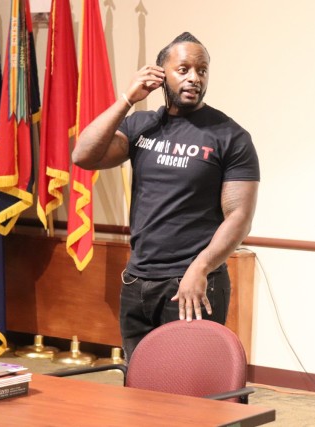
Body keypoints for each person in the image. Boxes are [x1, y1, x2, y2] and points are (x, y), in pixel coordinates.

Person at [72, 32, 260, 360]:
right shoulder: (141, 126)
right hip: (138, 280)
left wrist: (199, 269)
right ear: (160, 74)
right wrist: (127, 99)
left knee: (188, 389)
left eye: (201, 70)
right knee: (140, 384)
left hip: (192, 282)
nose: (194, 78)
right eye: (183, 69)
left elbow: (239, 218)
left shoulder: (230, 136)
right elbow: (83, 156)